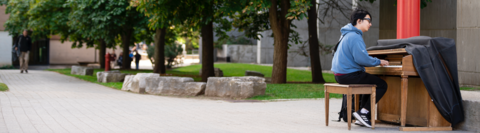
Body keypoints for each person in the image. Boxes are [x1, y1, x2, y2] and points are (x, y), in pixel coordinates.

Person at [331, 8, 388, 128]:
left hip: (340, 75)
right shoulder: (354, 36)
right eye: (368, 20)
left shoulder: (346, 34)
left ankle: (362, 116)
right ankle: (363, 112)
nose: (370, 24)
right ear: (359, 21)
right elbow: (362, 59)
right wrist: (379, 61)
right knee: (382, 84)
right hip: (349, 75)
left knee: (371, 83)